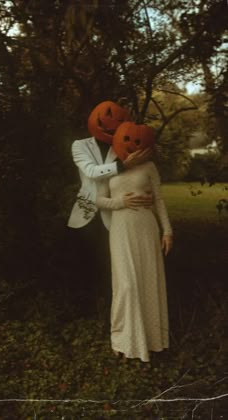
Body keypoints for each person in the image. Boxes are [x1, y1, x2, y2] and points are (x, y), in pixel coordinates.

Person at [67, 101, 153, 315]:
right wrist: (123, 165)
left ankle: (112, 310)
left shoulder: (123, 146)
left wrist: (146, 192)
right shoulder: (80, 145)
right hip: (86, 210)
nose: (112, 123)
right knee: (81, 260)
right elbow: (91, 171)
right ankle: (81, 309)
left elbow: (136, 177)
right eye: (107, 115)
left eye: (119, 119)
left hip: (115, 210)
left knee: (113, 263)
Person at [96, 137, 173, 362]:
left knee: (148, 282)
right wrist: (121, 203)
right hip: (121, 229)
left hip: (146, 228)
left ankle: (150, 341)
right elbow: (98, 200)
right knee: (127, 285)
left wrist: (167, 231)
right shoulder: (110, 165)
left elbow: (158, 199)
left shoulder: (149, 167)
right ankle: (122, 340)